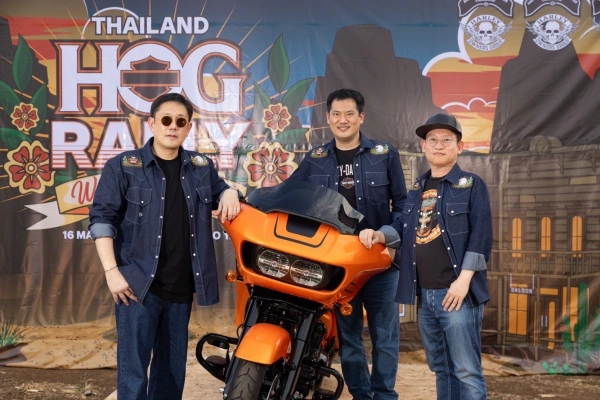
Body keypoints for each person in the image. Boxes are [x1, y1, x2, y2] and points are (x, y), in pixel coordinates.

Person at [89, 93, 241, 399]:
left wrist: (229, 191)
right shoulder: (123, 167)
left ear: (188, 128)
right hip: (137, 287)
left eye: (180, 121)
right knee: (133, 376)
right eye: (166, 120)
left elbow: (222, 191)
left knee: (171, 376)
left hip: (180, 289)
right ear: (152, 124)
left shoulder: (201, 167)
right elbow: (101, 220)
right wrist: (111, 273)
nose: (173, 126)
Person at [361, 112, 491, 399]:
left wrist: (463, 281)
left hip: (457, 294)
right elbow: (401, 227)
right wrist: (379, 235)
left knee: (467, 372)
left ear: (459, 146)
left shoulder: (471, 184)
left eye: (446, 140)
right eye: (432, 140)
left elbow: (480, 236)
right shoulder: (417, 189)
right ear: (423, 146)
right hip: (426, 297)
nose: (438, 145)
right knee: (442, 369)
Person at [288, 88, 407, 400]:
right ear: (328, 118)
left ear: (361, 117)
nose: (343, 120)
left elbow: (403, 206)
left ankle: (383, 395)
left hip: (380, 264)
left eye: (350, 114)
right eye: (337, 114)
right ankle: (361, 395)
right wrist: (242, 198)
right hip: (338, 266)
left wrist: (387, 236)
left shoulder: (384, 154)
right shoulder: (315, 159)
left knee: (385, 338)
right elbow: (289, 194)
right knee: (349, 337)